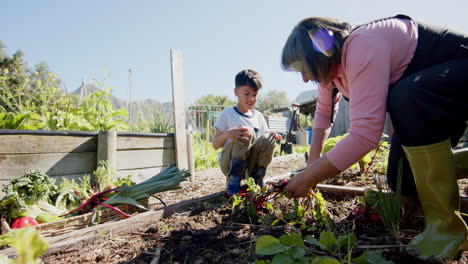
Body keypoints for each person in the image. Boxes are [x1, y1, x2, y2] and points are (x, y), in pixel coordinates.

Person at [281, 15, 468, 260]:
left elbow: (364, 135)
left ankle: (447, 229)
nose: (304, 77)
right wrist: (312, 165)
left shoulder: (361, 46)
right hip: (434, 101)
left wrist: (307, 179)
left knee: (406, 95)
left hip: (459, 70)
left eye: (300, 68)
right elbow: (323, 116)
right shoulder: (331, 72)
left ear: (316, 54)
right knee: (401, 181)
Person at [212, 69, 283, 197]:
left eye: (255, 95)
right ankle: (233, 183)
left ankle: (258, 180)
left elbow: (263, 142)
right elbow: (215, 145)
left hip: (250, 165)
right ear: (236, 92)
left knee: (269, 138)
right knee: (246, 131)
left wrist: (271, 136)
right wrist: (228, 134)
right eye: (246, 93)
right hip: (230, 165)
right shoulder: (227, 114)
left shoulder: (259, 116)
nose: (251, 98)